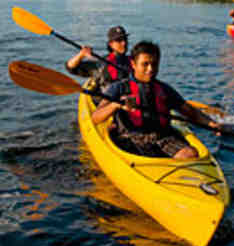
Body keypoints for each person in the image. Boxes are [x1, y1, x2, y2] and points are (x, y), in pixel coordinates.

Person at [91, 41, 224, 160]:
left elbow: (190, 112)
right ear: (133, 64)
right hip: (130, 139)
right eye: (145, 64)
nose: (151, 69)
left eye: (154, 64)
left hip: (162, 137)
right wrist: (116, 105)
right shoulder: (118, 88)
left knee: (190, 154)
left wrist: (212, 124)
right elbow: (95, 118)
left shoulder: (164, 89)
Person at [65, 25, 131, 92]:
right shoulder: (102, 64)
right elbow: (70, 68)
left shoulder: (133, 61)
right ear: (111, 44)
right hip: (108, 100)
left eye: (125, 39)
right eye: (119, 40)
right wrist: (81, 55)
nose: (124, 43)